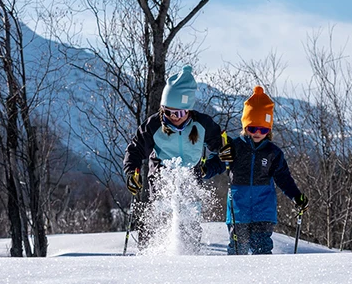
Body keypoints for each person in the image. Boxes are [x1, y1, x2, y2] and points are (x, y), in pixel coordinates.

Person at [122, 65, 225, 248]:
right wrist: (132, 172)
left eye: (179, 113)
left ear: (189, 110)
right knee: (161, 216)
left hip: (190, 177)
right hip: (162, 176)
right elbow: (135, 149)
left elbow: (224, 153)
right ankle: (151, 251)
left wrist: (208, 168)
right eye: (168, 112)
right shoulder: (154, 124)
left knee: (188, 224)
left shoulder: (202, 124)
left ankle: (188, 254)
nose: (174, 117)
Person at [220, 86, 308, 255]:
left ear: (269, 130)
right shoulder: (235, 148)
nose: (258, 133)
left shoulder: (273, 152)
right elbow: (217, 164)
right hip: (238, 210)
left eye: (263, 129)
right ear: (246, 127)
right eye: (253, 128)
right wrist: (205, 168)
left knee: (262, 250)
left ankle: (264, 281)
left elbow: (283, 178)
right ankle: (233, 281)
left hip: (263, 210)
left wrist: (296, 196)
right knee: (238, 251)